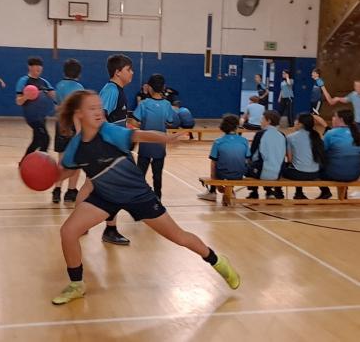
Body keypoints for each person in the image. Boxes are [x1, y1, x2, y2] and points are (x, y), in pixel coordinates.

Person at [51, 90, 240, 305]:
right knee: (68, 231)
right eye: (91, 108)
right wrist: (47, 175)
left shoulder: (110, 132)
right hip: (105, 197)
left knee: (179, 237)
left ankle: (216, 260)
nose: (98, 112)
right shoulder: (76, 146)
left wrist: (167, 138)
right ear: (79, 114)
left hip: (138, 195)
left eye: (99, 107)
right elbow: (67, 170)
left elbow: (140, 134)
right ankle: (77, 284)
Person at [96, 54, 134, 245]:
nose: (132, 73)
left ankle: (81, 224)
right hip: (110, 149)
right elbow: (99, 118)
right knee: (116, 189)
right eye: (129, 69)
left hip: (115, 147)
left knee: (90, 188)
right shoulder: (111, 90)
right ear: (118, 72)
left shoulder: (117, 90)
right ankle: (110, 229)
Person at [132, 74, 175, 199]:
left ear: (149, 87)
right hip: (160, 146)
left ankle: (138, 198)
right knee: (157, 175)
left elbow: (135, 121)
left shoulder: (144, 104)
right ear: (164, 87)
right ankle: (157, 199)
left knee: (140, 174)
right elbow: (170, 121)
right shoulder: (167, 104)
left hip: (145, 145)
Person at [52, 59, 84, 204]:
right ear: (79, 73)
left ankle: (57, 190)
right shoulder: (79, 88)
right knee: (76, 161)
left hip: (61, 125)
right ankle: (71, 192)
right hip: (74, 127)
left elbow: (56, 108)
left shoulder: (59, 86)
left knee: (61, 160)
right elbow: (79, 111)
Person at [197, 114, 250, 202]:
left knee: (218, 162)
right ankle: (229, 190)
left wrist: (213, 179)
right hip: (239, 174)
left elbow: (213, 162)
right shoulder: (244, 141)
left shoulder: (218, 142)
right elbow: (247, 158)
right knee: (233, 161)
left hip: (223, 174)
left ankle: (212, 191)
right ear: (237, 126)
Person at [16, 57, 55, 162]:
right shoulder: (24, 81)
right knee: (45, 139)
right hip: (32, 117)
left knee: (37, 140)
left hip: (42, 116)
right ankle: (42, 163)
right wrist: (26, 97)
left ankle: (24, 162)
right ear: (30, 67)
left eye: (40, 66)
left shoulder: (44, 82)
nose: (39, 68)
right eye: (36, 65)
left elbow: (54, 96)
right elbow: (18, 101)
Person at [318, 109, 360, 199]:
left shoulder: (330, 133)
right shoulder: (356, 133)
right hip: (355, 174)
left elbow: (322, 152)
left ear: (340, 119)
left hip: (335, 174)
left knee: (317, 166)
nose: (332, 119)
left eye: (334, 117)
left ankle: (325, 192)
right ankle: (343, 193)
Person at [282, 113, 325, 199]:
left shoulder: (290, 137)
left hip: (299, 174)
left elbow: (290, 159)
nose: (294, 122)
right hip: (315, 173)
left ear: (300, 124)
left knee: (285, 167)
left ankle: (283, 193)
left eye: (296, 121)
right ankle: (299, 193)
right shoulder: (316, 136)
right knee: (298, 164)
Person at [246, 110, 286, 199]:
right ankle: (270, 191)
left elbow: (252, 154)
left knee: (249, 165)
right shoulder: (282, 135)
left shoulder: (260, 134)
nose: (260, 121)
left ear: (269, 121)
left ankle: (254, 192)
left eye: (262, 119)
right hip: (279, 173)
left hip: (262, 173)